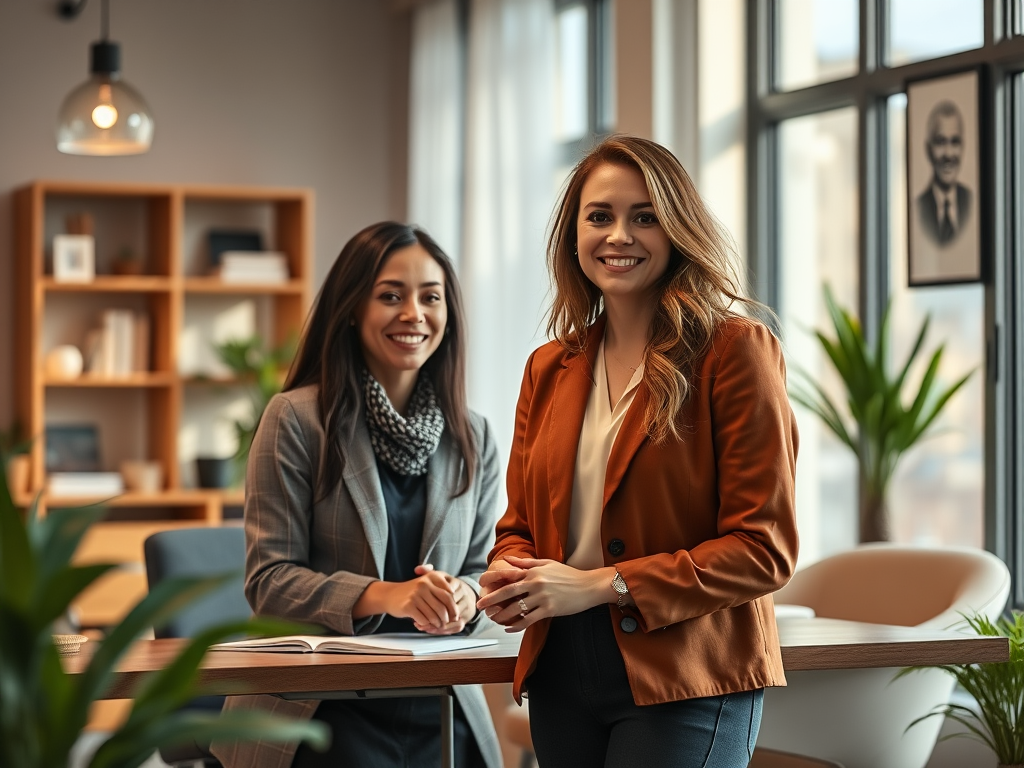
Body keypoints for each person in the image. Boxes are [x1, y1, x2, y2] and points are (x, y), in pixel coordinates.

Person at [475, 135, 800, 767]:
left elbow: (764, 550)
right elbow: (519, 527)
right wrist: (513, 575)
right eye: (600, 216)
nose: (618, 235)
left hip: (686, 670)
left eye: (644, 216)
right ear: (574, 234)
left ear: (678, 229)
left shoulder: (735, 351)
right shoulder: (549, 366)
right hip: (561, 669)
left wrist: (601, 584)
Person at [210, 222, 502, 768]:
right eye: (390, 295)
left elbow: (486, 569)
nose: (413, 313)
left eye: (429, 297)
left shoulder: (474, 434)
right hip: (322, 710)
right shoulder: (296, 419)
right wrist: (387, 595)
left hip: (440, 702)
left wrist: (467, 596)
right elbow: (269, 582)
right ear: (351, 308)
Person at [917, 100, 972, 246]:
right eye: (940, 142)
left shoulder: (970, 201)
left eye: (954, 142)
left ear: (963, 147)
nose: (948, 154)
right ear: (928, 149)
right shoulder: (918, 208)